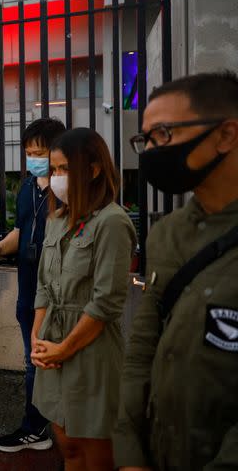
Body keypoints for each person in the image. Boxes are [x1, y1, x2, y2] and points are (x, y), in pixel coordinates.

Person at [113, 71, 238, 471]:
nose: (150, 150)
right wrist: (130, 455)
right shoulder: (166, 234)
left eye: (164, 134)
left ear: (226, 135)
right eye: (145, 139)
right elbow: (142, 349)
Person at [29, 128, 136, 471]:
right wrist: (37, 338)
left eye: (64, 169)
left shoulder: (112, 223)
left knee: (96, 455)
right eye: (54, 169)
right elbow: (43, 286)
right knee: (69, 448)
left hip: (90, 351)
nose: (56, 178)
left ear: (92, 170)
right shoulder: (55, 220)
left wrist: (65, 348)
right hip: (53, 344)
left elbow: (106, 303)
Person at [0, 118, 66, 452]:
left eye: (40, 152)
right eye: (29, 152)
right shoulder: (27, 188)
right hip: (27, 288)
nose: (33, 158)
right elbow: (21, 234)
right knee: (33, 362)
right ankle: (41, 427)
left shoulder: (67, 191)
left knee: (47, 363)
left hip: (58, 296)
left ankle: (40, 428)